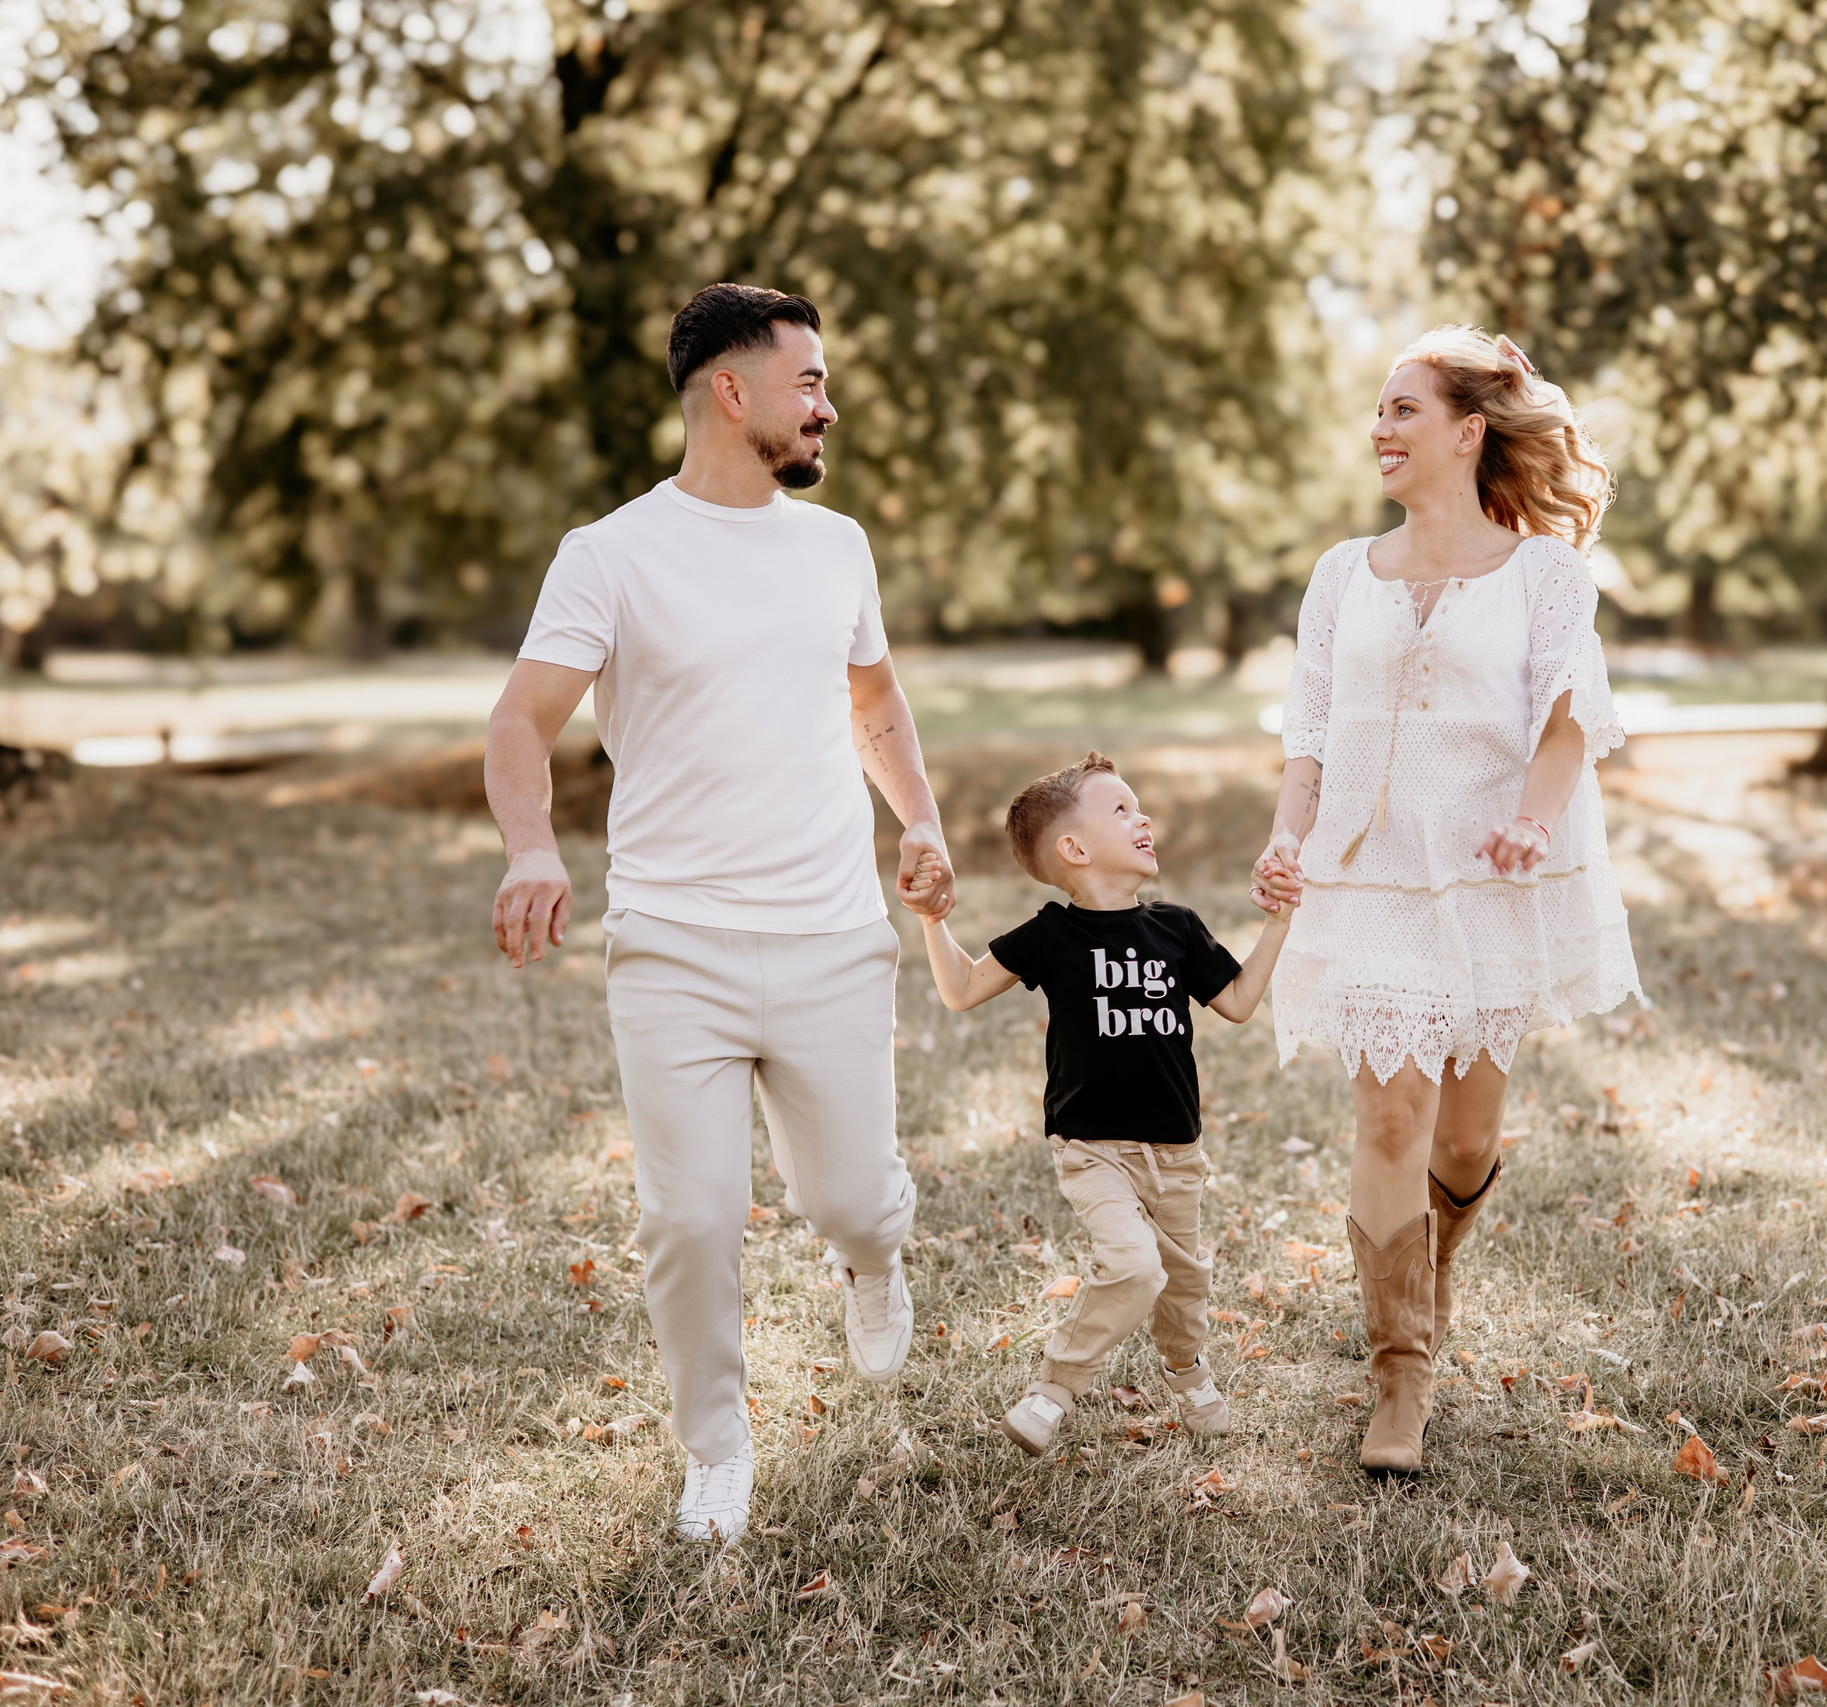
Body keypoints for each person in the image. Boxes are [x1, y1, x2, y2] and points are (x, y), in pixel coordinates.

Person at [486, 283, 954, 1543]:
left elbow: (875, 700)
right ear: (730, 391)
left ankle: (872, 1256)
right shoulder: (612, 553)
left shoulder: (835, 546)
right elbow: (521, 719)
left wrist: (919, 820)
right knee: (689, 1218)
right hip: (671, 944)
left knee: (854, 1199)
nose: (828, 404)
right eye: (808, 381)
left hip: (829, 936)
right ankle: (716, 1448)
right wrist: (532, 847)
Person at [1251, 326, 1642, 1476]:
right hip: (1363, 873)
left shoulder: (1543, 575)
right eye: (1377, 411)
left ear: (1470, 431)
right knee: (1386, 1115)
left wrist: (1532, 814)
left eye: (1403, 409)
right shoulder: (1340, 573)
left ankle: (1434, 1254)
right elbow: (1308, 732)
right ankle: (1399, 1374)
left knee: (1464, 1142)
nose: (1380, 428)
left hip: (1484, 875)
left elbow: (1568, 717)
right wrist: (1286, 838)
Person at [916, 752, 1293, 1456]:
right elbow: (962, 989)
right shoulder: (1054, 934)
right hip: (1092, 1146)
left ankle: (1185, 1367)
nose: (1142, 815)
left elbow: (1238, 1002)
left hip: (1175, 1149)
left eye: (1138, 805)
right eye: (1121, 809)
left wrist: (1278, 922)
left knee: (1182, 1284)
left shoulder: (1176, 928)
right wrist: (932, 920)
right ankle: (1052, 1390)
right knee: (1133, 1264)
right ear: (1075, 848)